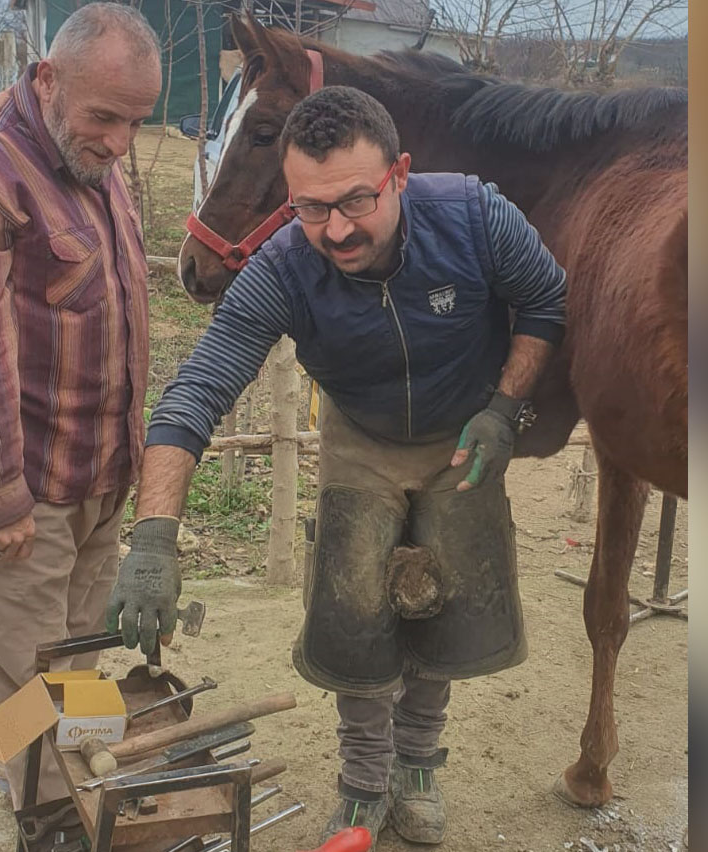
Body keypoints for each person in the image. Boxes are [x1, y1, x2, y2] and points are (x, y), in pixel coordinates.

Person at [106, 86, 567, 848]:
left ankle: (417, 763)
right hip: (361, 438)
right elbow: (195, 393)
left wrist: (503, 410)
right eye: (312, 208)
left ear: (399, 173)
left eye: (357, 199)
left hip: (465, 436)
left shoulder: (477, 216)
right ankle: (361, 780)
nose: (338, 228)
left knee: (444, 600)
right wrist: (152, 537)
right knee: (354, 613)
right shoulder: (285, 266)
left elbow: (546, 300)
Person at [0, 2, 161, 808]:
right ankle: (45, 816)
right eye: (106, 118)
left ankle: (86, 789)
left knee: (76, 660)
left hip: (97, 475)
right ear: (47, 79)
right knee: (23, 674)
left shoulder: (90, 154)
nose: (120, 143)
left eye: (137, 123)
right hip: (22, 496)